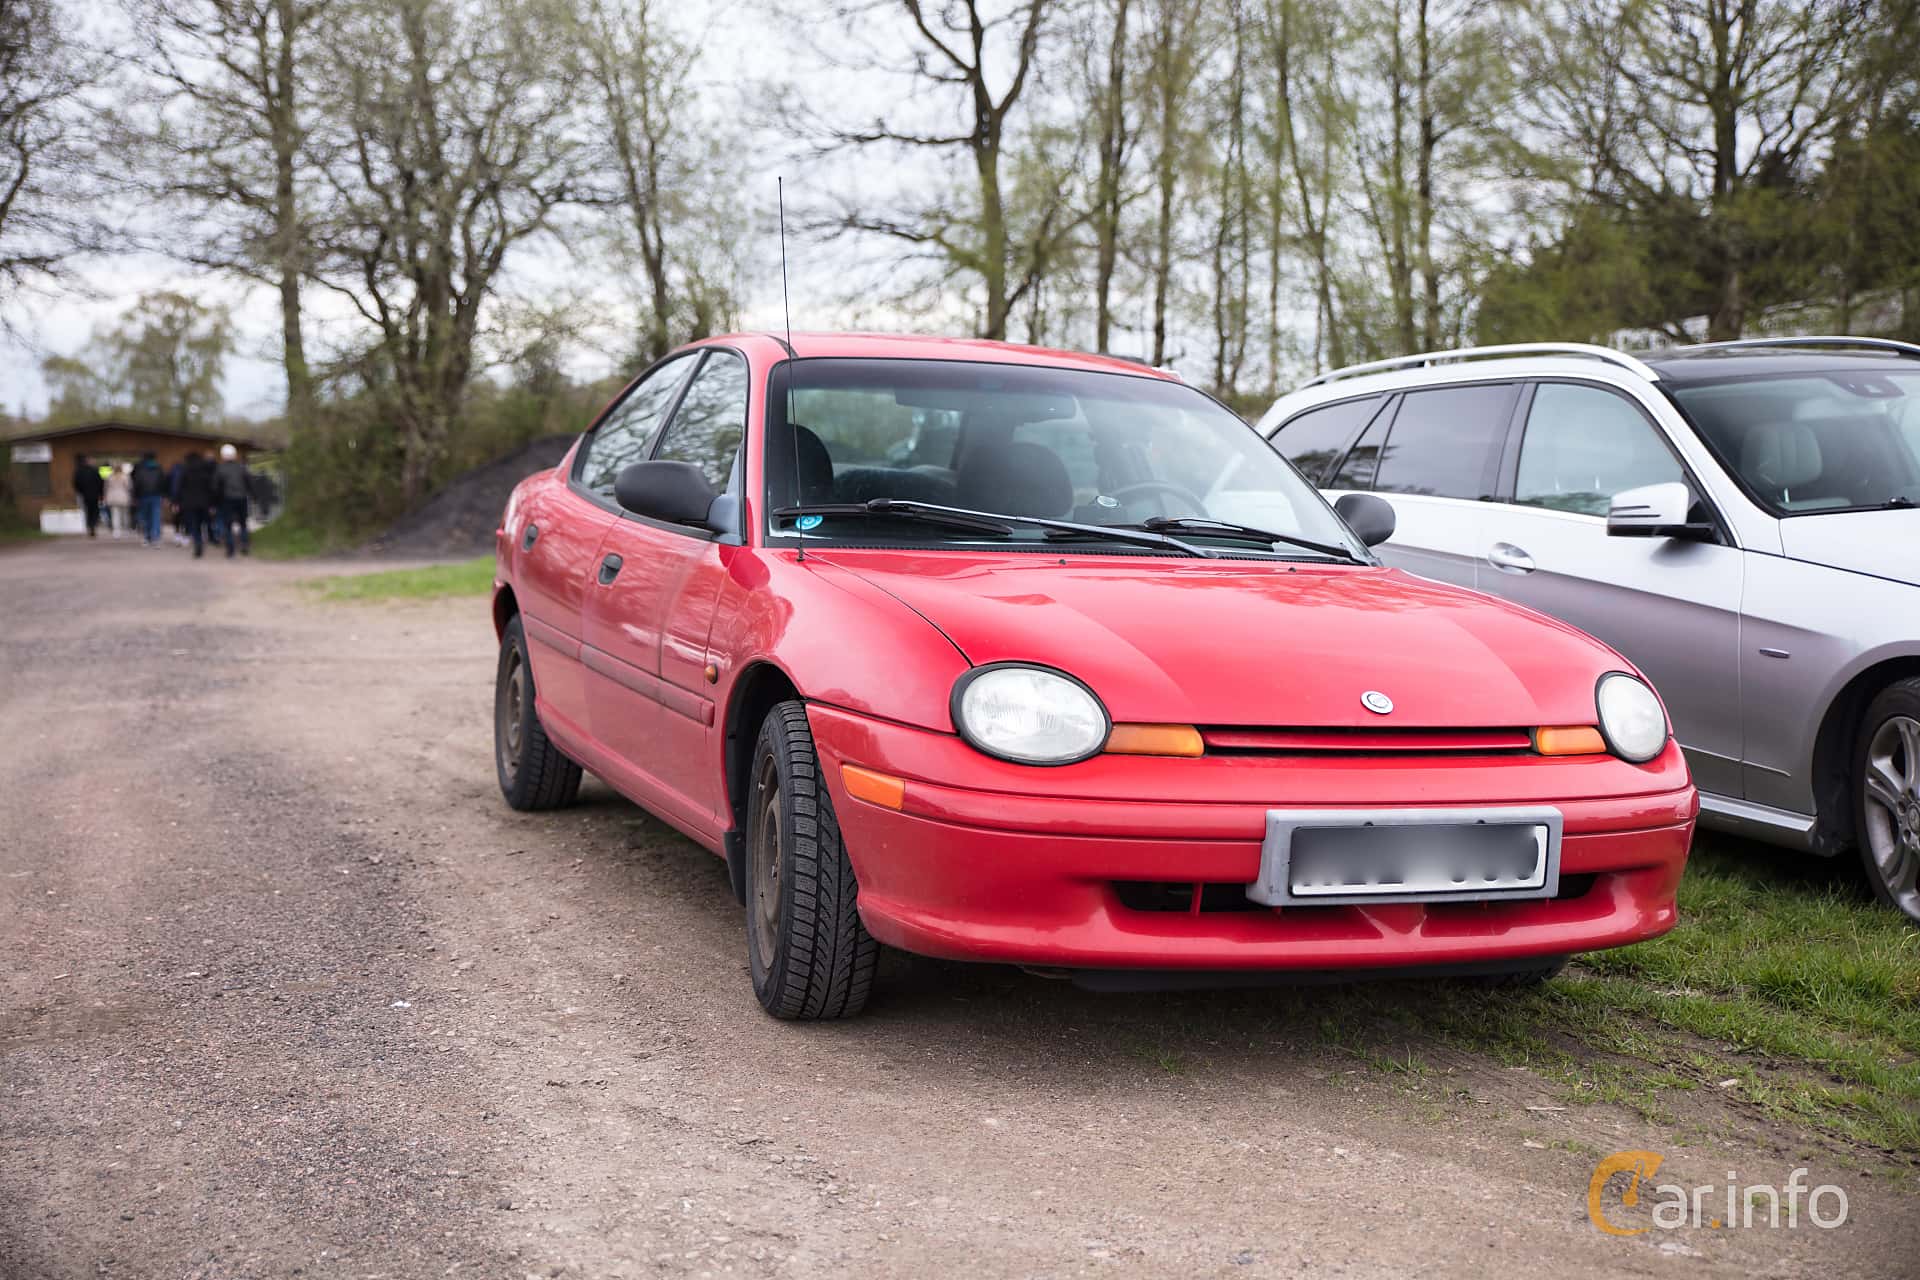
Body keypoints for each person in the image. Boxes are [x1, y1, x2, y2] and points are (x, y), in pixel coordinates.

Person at [211, 443, 251, 558]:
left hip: (227, 500)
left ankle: (230, 549)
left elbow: (215, 486)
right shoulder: (241, 467)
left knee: (227, 525)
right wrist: (250, 494)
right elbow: (248, 482)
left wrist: (215, 502)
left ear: (223, 455)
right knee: (243, 523)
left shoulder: (220, 468)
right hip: (241, 498)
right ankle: (244, 545)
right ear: (234, 455)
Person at [176, 450, 215, 558]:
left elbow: (180, 488)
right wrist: (212, 503)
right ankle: (207, 539)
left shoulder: (185, 471)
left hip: (190, 503)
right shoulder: (205, 471)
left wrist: (177, 502)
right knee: (205, 523)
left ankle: (198, 544)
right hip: (204, 503)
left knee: (194, 525)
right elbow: (211, 488)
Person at [131, 451, 167, 547]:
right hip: (156, 495)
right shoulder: (159, 468)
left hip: (143, 496)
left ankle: (146, 537)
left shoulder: (140, 468)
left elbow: (136, 483)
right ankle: (155, 538)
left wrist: (135, 496)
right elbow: (163, 482)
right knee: (156, 516)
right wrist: (164, 495)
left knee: (145, 517)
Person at [72, 454, 104, 537]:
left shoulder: (79, 471)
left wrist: (80, 491)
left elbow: (76, 483)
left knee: (86, 510)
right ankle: (92, 525)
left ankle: (89, 526)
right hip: (94, 495)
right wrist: (101, 493)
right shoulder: (95, 470)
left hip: (84, 495)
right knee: (94, 511)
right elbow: (100, 483)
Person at [104, 463, 133, 539]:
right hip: (123, 497)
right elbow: (129, 487)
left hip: (113, 497)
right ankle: (126, 529)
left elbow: (106, 488)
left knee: (115, 515)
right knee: (125, 515)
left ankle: (116, 531)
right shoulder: (125, 477)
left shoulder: (110, 477)